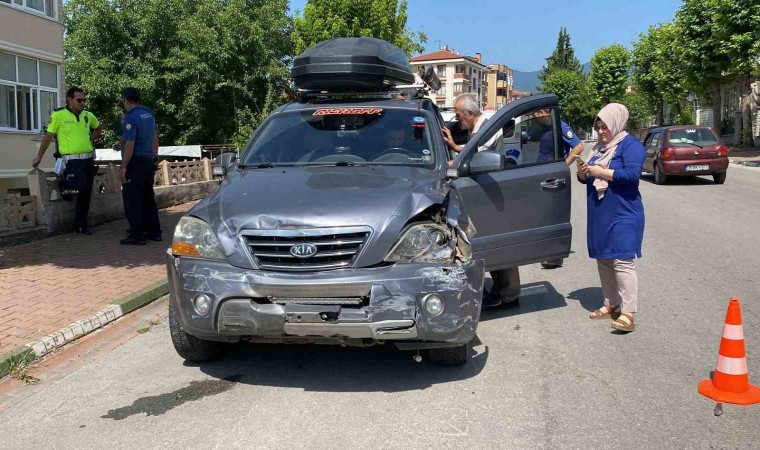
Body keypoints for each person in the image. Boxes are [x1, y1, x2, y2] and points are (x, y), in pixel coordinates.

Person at [442, 93, 518, 310]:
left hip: (493, 192)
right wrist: (456, 146)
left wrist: (453, 160)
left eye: (458, 115)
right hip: (488, 190)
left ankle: (510, 294)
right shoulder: (480, 129)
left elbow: (478, 158)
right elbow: (474, 151)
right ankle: (503, 291)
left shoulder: (487, 129)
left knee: (498, 242)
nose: (457, 120)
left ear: (469, 113)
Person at [577, 103, 645, 332]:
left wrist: (600, 172)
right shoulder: (598, 148)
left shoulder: (631, 146)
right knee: (604, 259)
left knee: (623, 259)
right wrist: (583, 173)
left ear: (616, 124)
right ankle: (611, 304)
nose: (601, 132)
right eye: (598, 127)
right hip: (600, 212)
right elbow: (588, 178)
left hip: (624, 213)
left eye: (605, 127)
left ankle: (628, 313)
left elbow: (632, 175)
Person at [32, 87, 102, 235]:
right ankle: (65, 187)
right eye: (79, 100)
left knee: (87, 192)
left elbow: (98, 129)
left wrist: (90, 139)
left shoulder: (88, 115)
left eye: (84, 100)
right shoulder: (59, 115)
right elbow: (48, 136)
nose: (82, 103)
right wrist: (39, 156)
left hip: (88, 160)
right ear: (69, 99)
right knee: (80, 188)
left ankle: (81, 225)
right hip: (71, 161)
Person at [535, 110, 585, 269]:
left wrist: (563, 166)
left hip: (553, 178)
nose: (534, 118)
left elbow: (578, 146)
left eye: (535, 114)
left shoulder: (561, 127)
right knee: (544, 215)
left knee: (553, 216)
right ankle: (546, 250)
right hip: (543, 175)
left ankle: (555, 256)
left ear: (544, 112)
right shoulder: (546, 129)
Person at [118, 87, 161, 246]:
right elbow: (155, 138)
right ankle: (154, 231)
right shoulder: (149, 115)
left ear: (125, 101)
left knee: (132, 198)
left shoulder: (131, 117)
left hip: (135, 162)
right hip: (148, 161)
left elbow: (130, 143)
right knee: (148, 197)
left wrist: (123, 166)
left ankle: (137, 234)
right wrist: (155, 157)